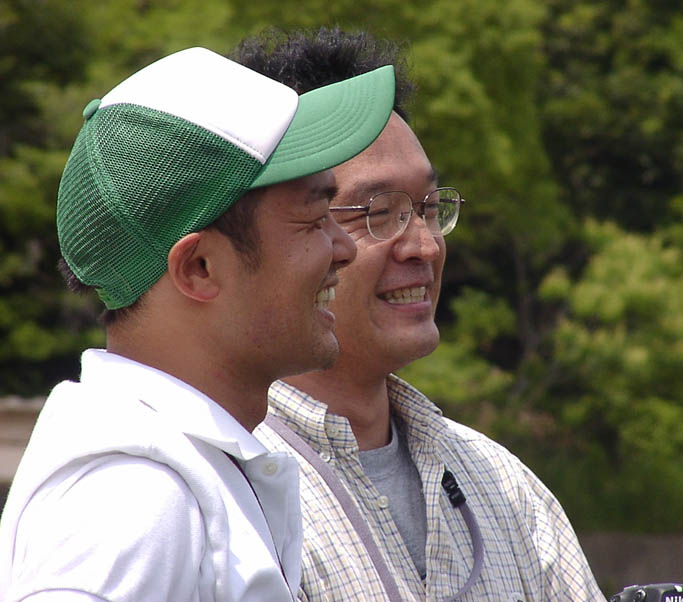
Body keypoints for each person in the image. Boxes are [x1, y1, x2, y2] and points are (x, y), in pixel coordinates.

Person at [0, 46, 395, 601]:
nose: (345, 247)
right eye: (312, 219)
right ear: (199, 267)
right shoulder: (133, 500)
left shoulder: (177, 469)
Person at [232, 29, 605, 601]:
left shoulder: (503, 486)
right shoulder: (224, 490)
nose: (425, 246)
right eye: (380, 212)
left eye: (430, 208)